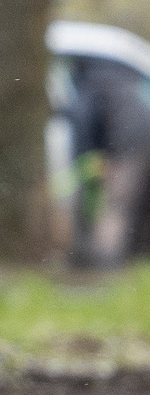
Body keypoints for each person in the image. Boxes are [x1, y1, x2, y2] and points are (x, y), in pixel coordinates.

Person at [71, 60, 150, 266]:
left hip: (125, 148)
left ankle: (105, 264)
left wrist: (95, 156)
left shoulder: (90, 85)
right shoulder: (119, 79)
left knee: (115, 207)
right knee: (128, 206)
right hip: (138, 142)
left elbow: (86, 124)